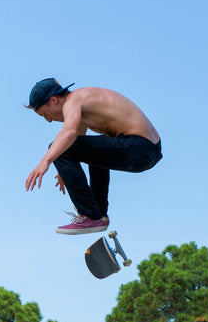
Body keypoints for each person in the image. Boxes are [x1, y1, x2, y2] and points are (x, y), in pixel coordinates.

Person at [25, 78, 162, 234]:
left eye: (45, 114)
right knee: (94, 154)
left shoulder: (73, 100)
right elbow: (78, 138)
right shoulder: (83, 101)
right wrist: (64, 169)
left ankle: (90, 215)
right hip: (150, 149)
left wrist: (46, 162)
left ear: (54, 100)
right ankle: (99, 216)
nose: (49, 120)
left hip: (138, 147)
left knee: (54, 146)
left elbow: (69, 133)